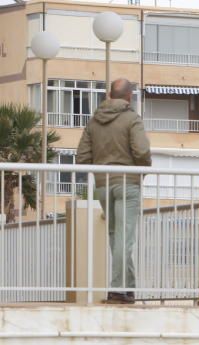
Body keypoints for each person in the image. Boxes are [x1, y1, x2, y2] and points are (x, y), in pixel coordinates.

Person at [76, 78, 152, 304]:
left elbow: (81, 158)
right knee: (124, 238)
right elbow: (141, 151)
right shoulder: (132, 119)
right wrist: (142, 171)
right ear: (129, 96)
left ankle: (127, 288)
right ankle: (119, 289)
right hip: (127, 183)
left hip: (102, 185)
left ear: (110, 95)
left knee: (116, 237)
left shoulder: (94, 122)